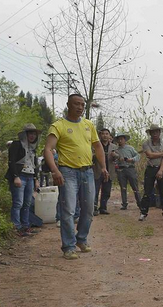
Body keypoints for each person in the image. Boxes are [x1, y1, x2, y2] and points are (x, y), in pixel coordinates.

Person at [43, 93, 108, 260]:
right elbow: (48, 149)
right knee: (68, 210)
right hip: (68, 172)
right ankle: (69, 246)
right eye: (76, 104)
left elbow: (98, 147)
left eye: (82, 104)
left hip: (87, 171)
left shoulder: (88, 125)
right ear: (68, 105)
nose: (80, 107)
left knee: (88, 210)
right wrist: (55, 170)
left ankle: (81, 239)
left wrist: (103, 167)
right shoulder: (58, 126)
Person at [5, 123, 41, 237]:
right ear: (25, 134)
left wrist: (36, 179)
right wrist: (16, 176)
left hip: (30, 177)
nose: (32, 136)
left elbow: (34, 165)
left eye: (34, 134)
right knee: (18, 203)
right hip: (20, 176)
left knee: (27, 203)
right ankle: (16, 226)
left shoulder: (33, 148)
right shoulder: (16, 145)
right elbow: (11, 161)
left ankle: (25, 226)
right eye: (30, 133)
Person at [139, 124, 163, 221]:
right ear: (150, 133)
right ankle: (143, 213)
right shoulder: (146, 144)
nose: (155, 134)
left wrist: (161, 170)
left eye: (156, 132)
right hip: (150, 168)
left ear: (159, 132)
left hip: (162, 168)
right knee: (147, 191)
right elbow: (149, 154)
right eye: (152, 132)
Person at [112, 132, 141, 211]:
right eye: (119, 139)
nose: (120, 140)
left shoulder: (130, 148)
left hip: (130, 168)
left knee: (135, 187)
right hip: (121, 170)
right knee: (123, 187)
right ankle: (124, 204)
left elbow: (138, 155)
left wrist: (132, 159)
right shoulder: (116, 150)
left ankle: (139, 203)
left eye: (122, 139)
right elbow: (114, 161)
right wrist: (116, 159)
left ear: (125, 140)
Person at [92, 128, 117, 215]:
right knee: (95, 190)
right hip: (97, 171)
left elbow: (118, 157)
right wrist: (97, 155)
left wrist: (115, 155)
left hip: (109, 171)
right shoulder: (95, 146)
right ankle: (94, 208)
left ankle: (103, 207)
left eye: (107, 134)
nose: (105, 136)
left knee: (106, 191)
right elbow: (90, 157)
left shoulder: (114, 147)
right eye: (103, 134)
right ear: (100, 135)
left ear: (110, 136)